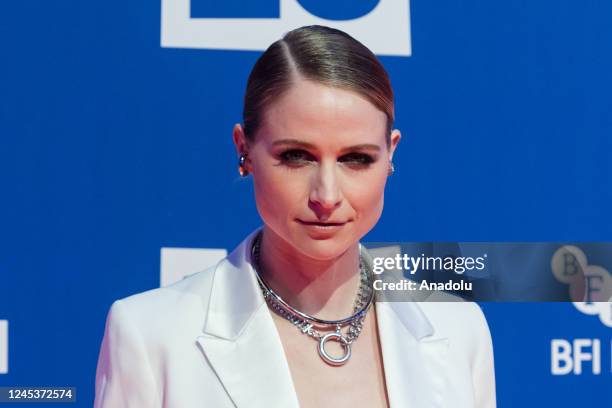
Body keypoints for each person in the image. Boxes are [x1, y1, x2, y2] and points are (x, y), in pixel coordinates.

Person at [94, 25, 496, 408]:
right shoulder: (151, 334)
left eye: (356, 159)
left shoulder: (458, 330)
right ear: (245, 151)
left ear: (390, 154)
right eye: (296, 156)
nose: (327, 195)